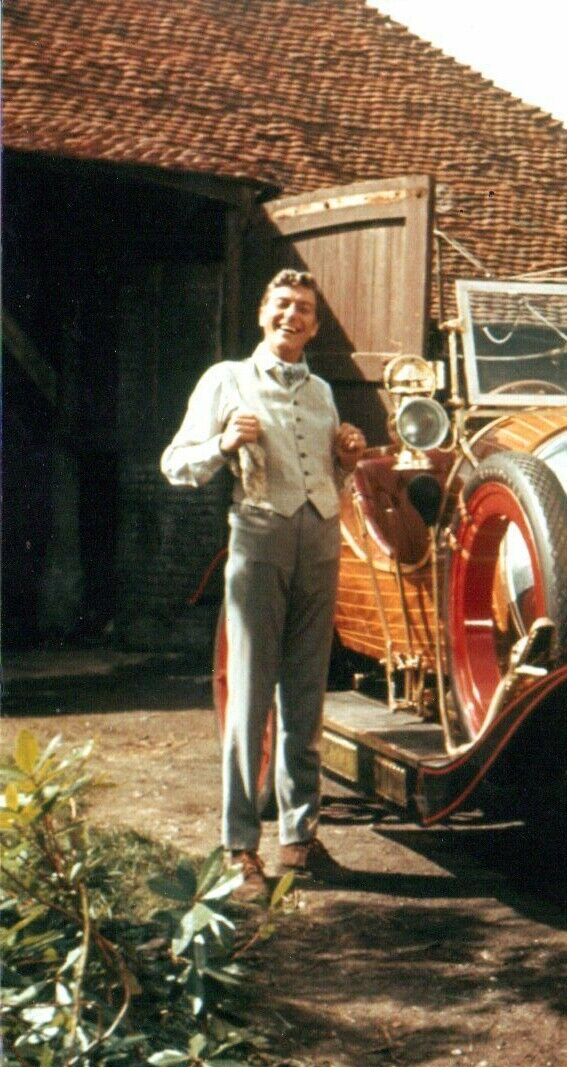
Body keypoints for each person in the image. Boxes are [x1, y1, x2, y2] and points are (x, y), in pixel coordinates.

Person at [161, 270, 366, 899]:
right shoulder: (227, 378)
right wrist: (224, 441)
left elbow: (324, 469)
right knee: (250, 694)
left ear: (314, 323)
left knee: (307, 691)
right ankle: (239, 843)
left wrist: (347, 455)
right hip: (258, 537)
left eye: (304, 309)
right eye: (282, 305)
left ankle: (299, 837)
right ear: (261, 313)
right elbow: (176, 464)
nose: (292, 316)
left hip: (321, 539)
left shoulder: (324, 391)